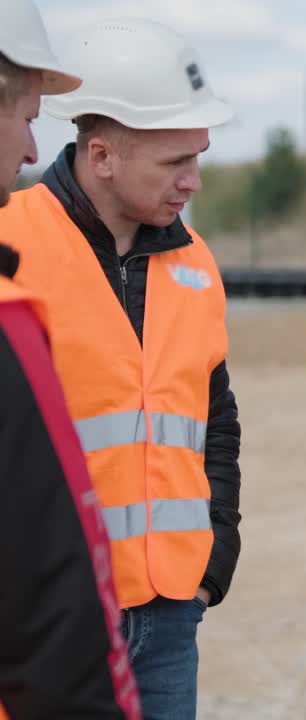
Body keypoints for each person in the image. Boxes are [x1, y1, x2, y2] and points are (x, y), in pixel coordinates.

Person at [0, 17, 242, 719]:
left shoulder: (194, 260)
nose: (193, 181)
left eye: (198, 156)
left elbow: (213, 417)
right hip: (53, 621)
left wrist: (215, 549)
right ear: (102, 155)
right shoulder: (11, 240)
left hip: (171, 611)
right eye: (175, 163)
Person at [0, 1, 140, 718]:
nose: (30, 149)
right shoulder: (8, 307)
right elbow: (46, 592)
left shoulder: (198, 266)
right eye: (26, 116)